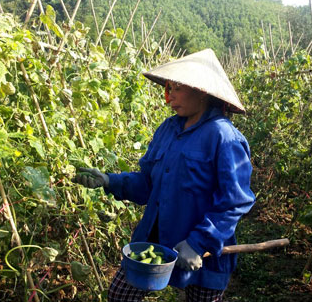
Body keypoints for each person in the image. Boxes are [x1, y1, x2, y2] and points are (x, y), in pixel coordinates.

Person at [74, 49, 255, 302]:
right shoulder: (168, 129)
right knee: (120, 295)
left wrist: (198, 242)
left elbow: (235, 201)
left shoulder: (224, 137)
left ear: (201, 90)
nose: (168, 97)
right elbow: (147, 184)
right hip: (155, 243)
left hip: (202, 254)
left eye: (176, 88)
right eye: (167, 88)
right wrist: (109, 180)